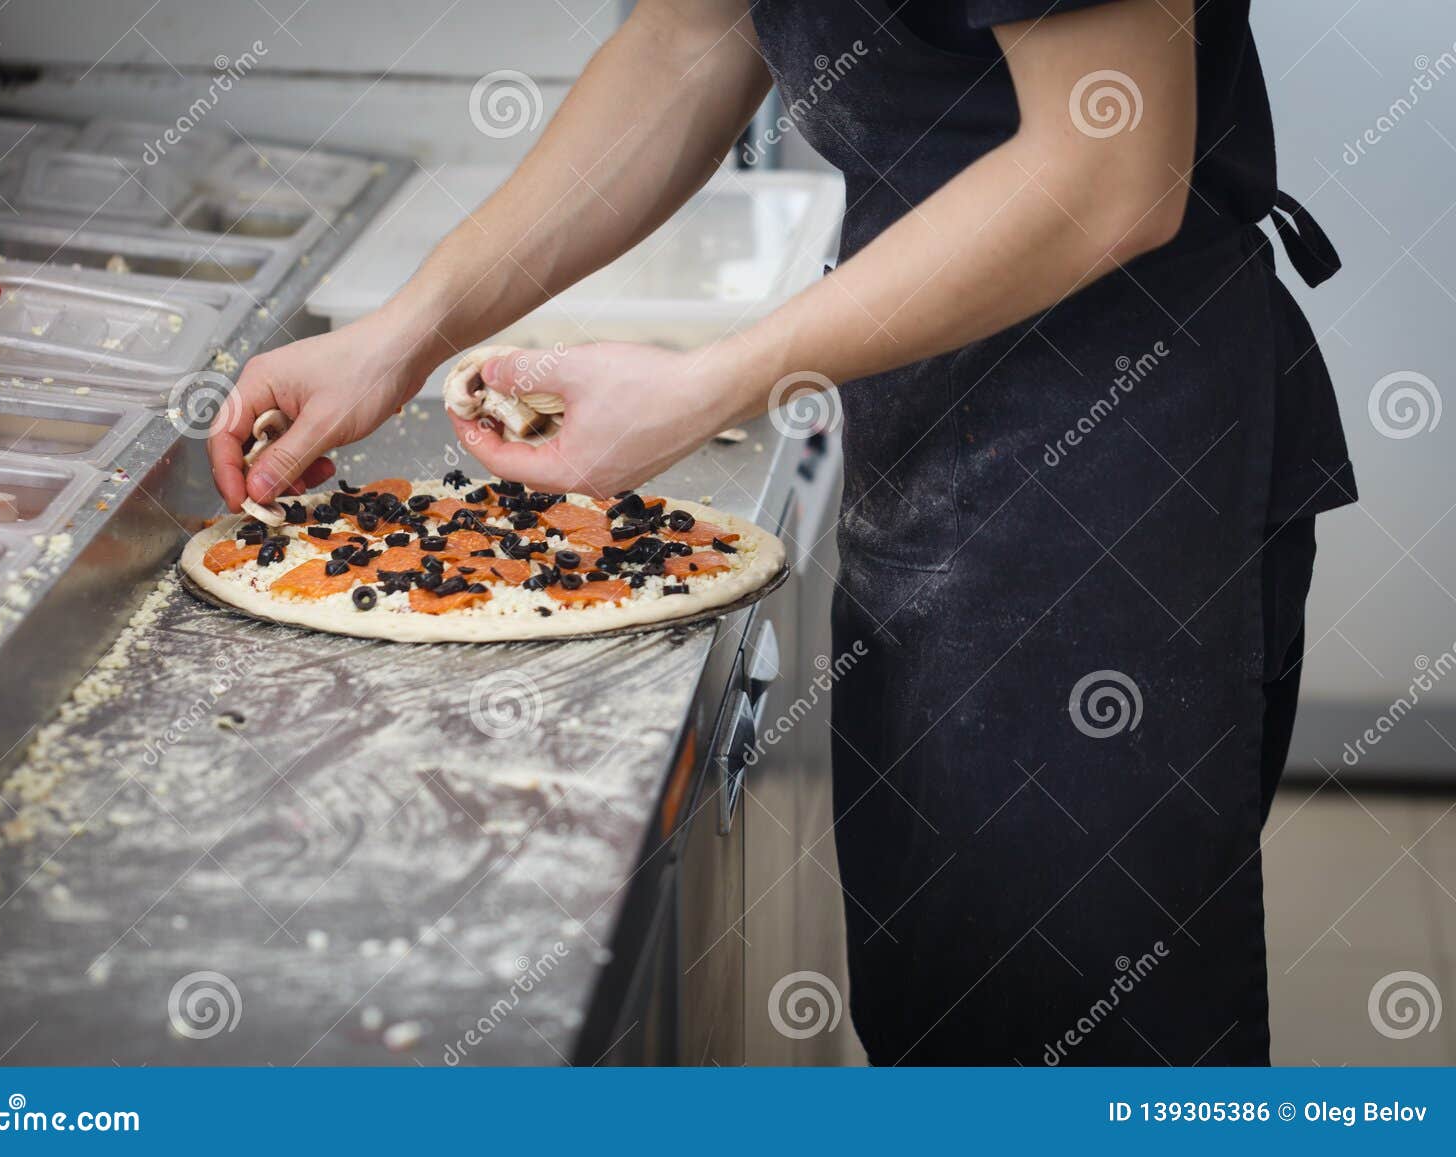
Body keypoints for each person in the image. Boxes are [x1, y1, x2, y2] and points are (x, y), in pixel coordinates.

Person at [209, 0, 1355, 1065]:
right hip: (934, 436)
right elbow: (689, 41)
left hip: (1111, 470)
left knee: (1069, 1035)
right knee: (950, 1003)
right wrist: (401, 333)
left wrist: (710, 386)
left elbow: (1111, 168)